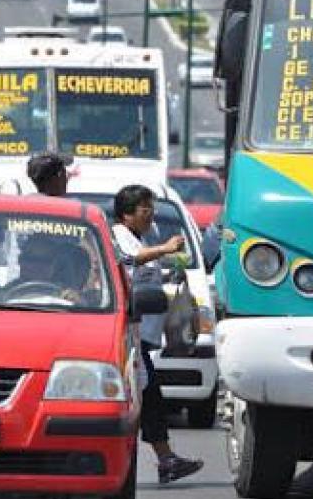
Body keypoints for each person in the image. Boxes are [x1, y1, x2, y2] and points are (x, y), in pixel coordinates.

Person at [111, 184, 204, 484]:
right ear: (126, 214)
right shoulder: (118, 236)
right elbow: (127, 261)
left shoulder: (142, 238)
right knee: (146, 398)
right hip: (122, 335)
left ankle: (166, 460)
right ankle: (163, 460)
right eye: (144, 210)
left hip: (140, 335)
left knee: (148, 397)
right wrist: (164, 249)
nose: (150, 216)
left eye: (152, 209)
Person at [8, 233, 92, 304]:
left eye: (44, 261)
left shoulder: (65, 293)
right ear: (20, 261)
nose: (36, 266)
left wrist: (78, 302)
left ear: (54, 265)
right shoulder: (6, 293)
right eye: (29, 259)